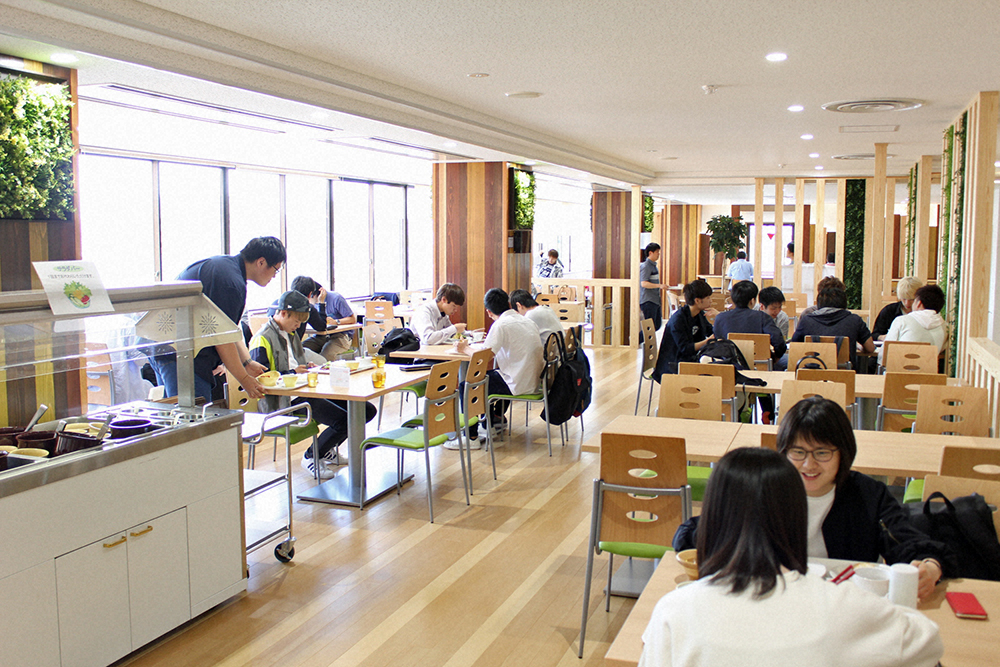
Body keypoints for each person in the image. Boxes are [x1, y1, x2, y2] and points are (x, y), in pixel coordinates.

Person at [644, 445, 944, 667]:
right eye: (798, 452)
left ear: (712, 517)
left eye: (821, 451)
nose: (809, 463)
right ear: (796, 516)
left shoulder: (673, 610)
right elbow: (928, 642)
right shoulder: (845, 606)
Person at [250, 290, 376, 479]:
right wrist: (293, 373)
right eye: (297, 321)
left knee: (365, 410)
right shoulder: (262, 338)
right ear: (283, 313)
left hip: (307, 390)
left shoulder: (289, 333)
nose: (298, 326)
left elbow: (294, 363)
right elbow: (262, 378)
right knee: (344, 421)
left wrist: (307, 367)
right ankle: (312, 456)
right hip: (286, 400)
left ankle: (326, 450)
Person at [150, 236, 285, 402]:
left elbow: (229, 330)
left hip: (166, 347)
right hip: (179, 353)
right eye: (276, 269)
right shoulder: (230, 283)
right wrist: (244, 379)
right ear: (261, 262)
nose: (274, 276)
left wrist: (247, 362)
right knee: (193, 413)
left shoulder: (227, 269)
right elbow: (222, 338)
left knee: (180, 411)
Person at [466, 288, 543, 442]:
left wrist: (464, 349)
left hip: (518, 383)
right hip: (535, 380)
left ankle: (471, 437)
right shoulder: (527, 320)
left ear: (489, 312)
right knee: (491, 377)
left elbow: (484, 358)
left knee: (468, 385)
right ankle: (492, 423)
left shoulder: (500, 324)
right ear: (509, 304)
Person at [792, 286, 874, 370]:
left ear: (818, 304)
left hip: (812, 373)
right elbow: (870, 348)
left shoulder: (807, 321)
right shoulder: (855, 320)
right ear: (844, 303)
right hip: (845, 373)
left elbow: (794, 347)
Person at [712, 280, 786, 368]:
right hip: (760, 365)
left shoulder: (720, 318)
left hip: (729, 366)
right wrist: (775, 358)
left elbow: (717, 342)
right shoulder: (763, 317)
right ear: (752, 301)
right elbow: (779, 343)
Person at [652, 279, 716, 381]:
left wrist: (718, 317)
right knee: (713, 374)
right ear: (697, 301)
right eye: (708, 297)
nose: (711, 300)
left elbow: (710, 331)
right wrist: (708, 341)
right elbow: (685, 348)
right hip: (673, 365)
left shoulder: (698, 314)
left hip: (688, 359)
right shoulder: (678, 320)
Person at [879, 284, 947, 365]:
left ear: (919, 303)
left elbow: (884, 354)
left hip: (899, 370)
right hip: (928, 370)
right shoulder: (944, 327)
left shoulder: (902, 321)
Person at [872, 276, 924, 341]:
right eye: (904, 299)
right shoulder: (889, 311)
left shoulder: (925, 313)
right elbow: (874, 335)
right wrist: (882, 337)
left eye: (912, 299)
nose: (907, 303)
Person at [639, 243, 663, 332]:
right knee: (649, 328)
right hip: (648, 300)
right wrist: (659, 285)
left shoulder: (653, 266)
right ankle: (639, 338)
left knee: (656, 325)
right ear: (650, 253)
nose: (658, 254)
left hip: (655, 300)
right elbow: (644, 283)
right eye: (657, 252)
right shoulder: (646, 266)